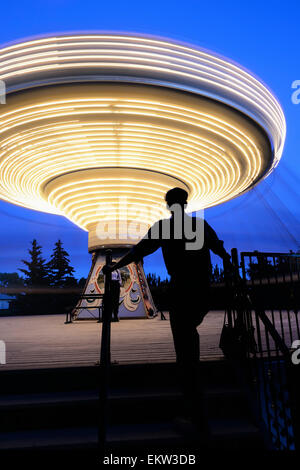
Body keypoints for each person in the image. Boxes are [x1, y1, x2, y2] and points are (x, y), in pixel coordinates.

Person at [104, 187, 231, 433]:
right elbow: (220, 251)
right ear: (185, 203)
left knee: (184, 349)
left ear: (168, 205)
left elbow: (138, 251)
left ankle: (195, 414)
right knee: (189, 336)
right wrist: (231, 272)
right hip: (202, 290)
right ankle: (196, 407)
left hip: (181, 290)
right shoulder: (200, 226)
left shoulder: (164, 227)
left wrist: (114, 267)